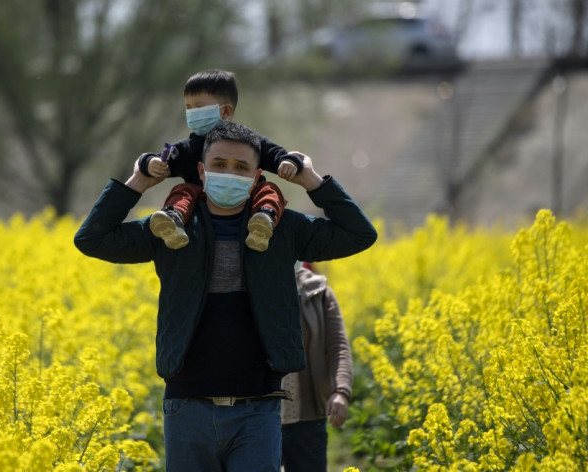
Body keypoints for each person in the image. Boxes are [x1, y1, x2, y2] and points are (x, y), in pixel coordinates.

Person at [74, 122, 377, 471]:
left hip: (259, 409)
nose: (229, 174)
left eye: (241, 168)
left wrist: (311, 180)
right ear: (201, 171)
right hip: (187, 408)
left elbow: (360, 234)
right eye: (219, 165)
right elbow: (91, 239)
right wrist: (139, 181)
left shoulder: (283, 229)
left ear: (256, 176)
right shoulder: (171, 229)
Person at [138, 68, 303, 252]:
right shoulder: (186, 148)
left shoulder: (246, 142)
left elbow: (276, 154)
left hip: (246, 201)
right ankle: (172, 221)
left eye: (199, 107)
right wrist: (150, 163)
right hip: (202, 205)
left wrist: (289, 162)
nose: (192, 113)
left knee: (269, 190)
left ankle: (263, 221)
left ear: (225, 112)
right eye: (188, 108)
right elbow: (159, 159)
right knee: (183, 191)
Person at [281, 262, 352, 472]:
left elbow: (338, 347)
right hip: (258, 414)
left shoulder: (319, 291)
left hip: (307, 417)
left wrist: (341, 391)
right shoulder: (251, 284)